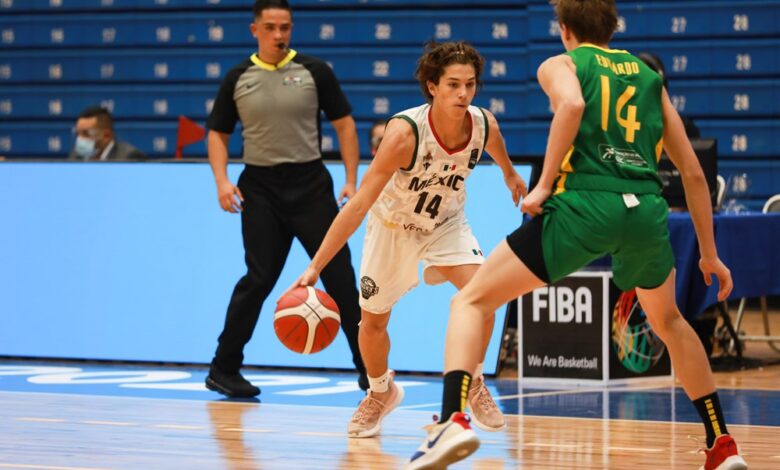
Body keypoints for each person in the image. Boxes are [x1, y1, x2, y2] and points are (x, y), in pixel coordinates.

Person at [405, 1, 749, 470]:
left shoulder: (563, 63)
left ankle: (451, 421)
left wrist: (544, 184)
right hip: (645, 209)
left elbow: (572, 103)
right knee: (670, 322)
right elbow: (691, 172)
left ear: (564, 29)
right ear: (612, 27)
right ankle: (721, 443)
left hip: (587, 202)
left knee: (472, 300)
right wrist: (709, 254)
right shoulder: (649, 78)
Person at [291, 41, 527, 438]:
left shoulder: (483, 124)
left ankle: (473, 380)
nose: (463, 93)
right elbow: (359, 202)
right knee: (372, 323)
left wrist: (509, 174)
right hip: (392, 228)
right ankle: (380, 392)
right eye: (453, 84)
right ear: (432, 86)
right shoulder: (404, 134)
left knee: (485, 294)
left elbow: (496, 147)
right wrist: (316, 265)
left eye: (470, 84)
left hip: (445, 223)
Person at [204, 0, 367, 398]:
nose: (280, 35)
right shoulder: (238, 76)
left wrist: (350, 179)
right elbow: (218, 134)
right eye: (272, 27)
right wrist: (222, 181)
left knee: (341, 278)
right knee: (258, 279)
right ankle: (223, 369)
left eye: (286, 27)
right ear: (254, 30)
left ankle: (370, 371)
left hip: (310, 184)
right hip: (260, 189)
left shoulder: (315, 71)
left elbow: (345, 126)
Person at [67, 106, 147, 161]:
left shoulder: (128, 157)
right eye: (77, 133)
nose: (79, 139)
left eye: (86, 133)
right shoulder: (75, 156)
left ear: (106, 136)